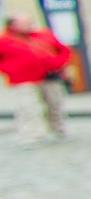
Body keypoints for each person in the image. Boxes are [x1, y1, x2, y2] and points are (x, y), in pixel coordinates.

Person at [0, 13, 72, 147]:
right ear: (13, 25)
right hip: (22, 79)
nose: (30, 25)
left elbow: (63, 50)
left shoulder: (44, 35)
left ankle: (58, 129)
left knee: (54, 104)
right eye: (25, 23)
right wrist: (9, 70)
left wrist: (57, 63)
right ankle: (31, 135)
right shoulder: (4, 40)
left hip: (49, 76)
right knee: (27, 107)